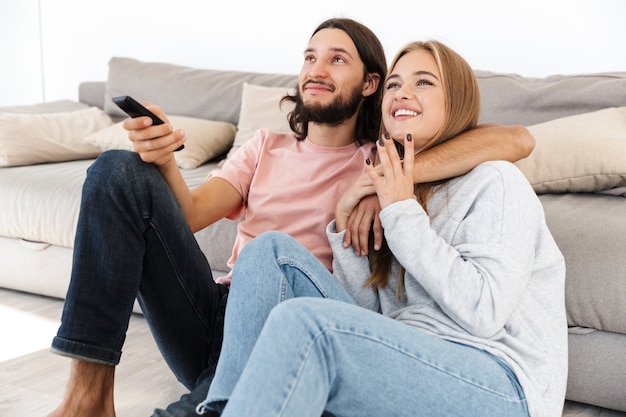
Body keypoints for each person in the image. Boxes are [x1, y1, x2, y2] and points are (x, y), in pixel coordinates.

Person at [46, 18, 534, 417]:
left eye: (336, 59)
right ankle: (88, 397)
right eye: (309, 57)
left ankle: (207, 405)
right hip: (215, 312)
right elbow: (189, 215)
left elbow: (512, 140)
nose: (317, 69)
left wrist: (385, 177)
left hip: (294, 325)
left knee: (271, 252)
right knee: (119, 171)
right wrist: (165, 160)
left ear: (370, 85)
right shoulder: (264, 147)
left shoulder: (381, 155)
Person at [197, 40, 567, 417]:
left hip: (498, 381)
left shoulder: (495, 181)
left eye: (423, 82)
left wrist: (401, 211)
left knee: (306, 324)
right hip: (407, 355)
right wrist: (344, 223)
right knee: (268, 250)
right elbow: (369, 314)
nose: (402, 92)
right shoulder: (395, 190)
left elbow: (483, 312)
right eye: (394, 84)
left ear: (454, 102)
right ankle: (222, 407)